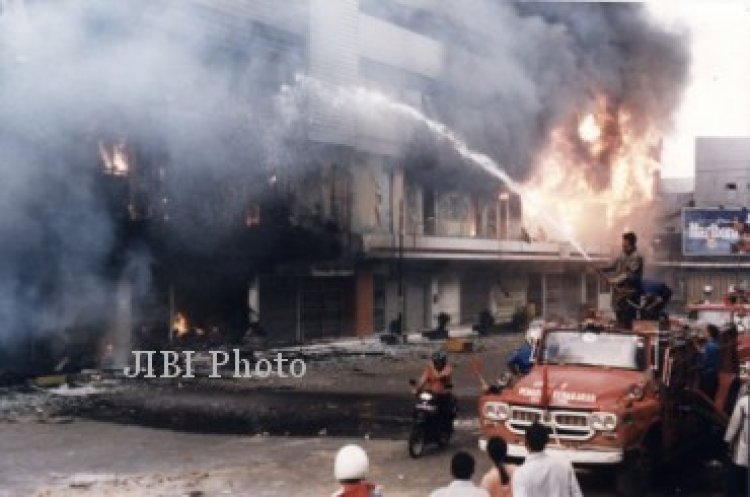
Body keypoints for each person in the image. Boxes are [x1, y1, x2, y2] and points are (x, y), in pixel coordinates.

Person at [512, 422, 583, 497]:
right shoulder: (564, 465)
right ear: (546, 441)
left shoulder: (521, 473)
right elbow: (576, 494)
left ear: (526, 443)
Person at [601, 232, 643, 329]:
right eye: (623, 245)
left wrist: (615, 280)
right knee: (619, 316)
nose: (623, 247)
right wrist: (601, 268)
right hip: (619, 294)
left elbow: (629, 274)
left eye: (626, 245)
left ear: (632, 245)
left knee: (628, 320)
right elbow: (612, 266)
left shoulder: (636, 257)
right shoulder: (622, 255)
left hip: (630, 294)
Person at [415, 351, 456, 433]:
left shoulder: (448, 368)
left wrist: (432, 367)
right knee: (420, 405)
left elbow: (439, 376)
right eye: (435, 362)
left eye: (439, 362)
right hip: (430, 393)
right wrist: (417, 388)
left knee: (443, 411)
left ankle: (443, 429)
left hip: (443, 394)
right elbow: (423, 379)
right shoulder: (429, 369)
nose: (437, 364)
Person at [724, 388, 748, 497]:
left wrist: (728, 440)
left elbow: (734, 425)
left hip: (744, 443)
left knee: (737, 471)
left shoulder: (743, 402)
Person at [694, 324, 721, 400]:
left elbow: (704, 362)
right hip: (713, 376)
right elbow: (704, 352)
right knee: (711, 398)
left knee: (705, 399)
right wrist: (696, 345)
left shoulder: (709, 346)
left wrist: (694, 367)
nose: (703, 332)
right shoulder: (714, 344)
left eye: (705, 331)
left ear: (709, 333)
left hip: (707, 378)